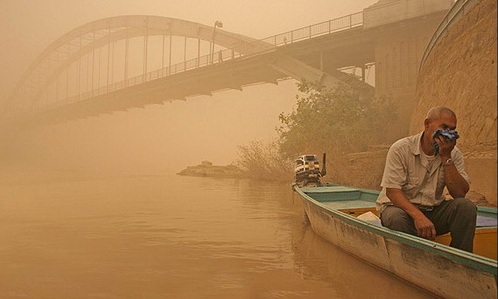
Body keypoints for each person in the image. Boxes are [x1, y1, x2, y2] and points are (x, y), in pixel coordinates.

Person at [376, 106, 476, 252]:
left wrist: (446, 157)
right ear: (427, 124)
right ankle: (412, 261)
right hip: (402, 211)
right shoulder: (401, 149)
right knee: (396, 218)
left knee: (466, 207)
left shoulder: (453, 154)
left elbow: (459, 193)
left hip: (433, 211)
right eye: (443, 127)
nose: (447, 133)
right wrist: (418, 217)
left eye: (451, 129)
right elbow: (392, 191)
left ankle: (461, 263)